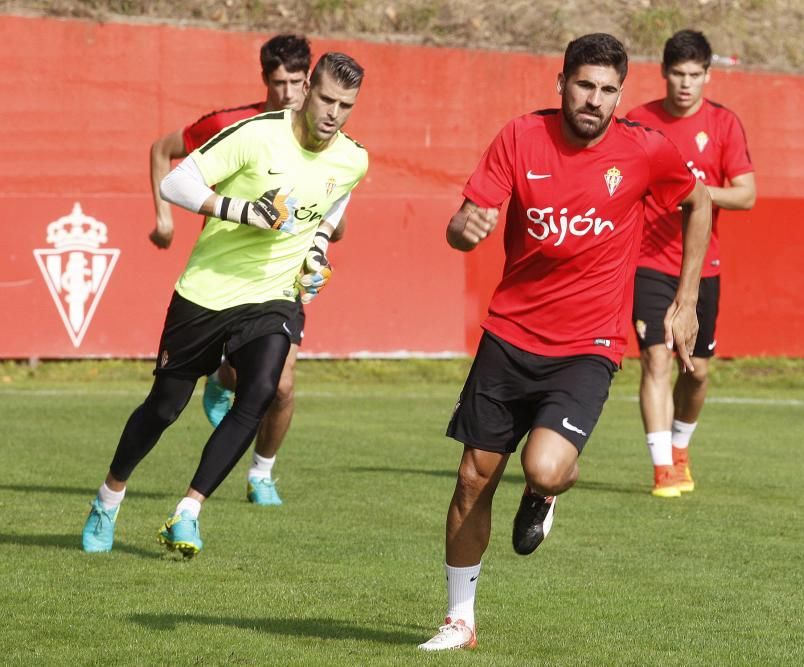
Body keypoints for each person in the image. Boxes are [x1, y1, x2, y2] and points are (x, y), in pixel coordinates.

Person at [417, 33, 713, 651]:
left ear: (620, 95)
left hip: (589, 344)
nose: (595, 100)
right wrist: (461, 230)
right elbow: (464, 223)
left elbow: (700, 202)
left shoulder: (644, 149)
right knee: (473, 476)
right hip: (509, 334)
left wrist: (685, 300)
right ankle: (459, 620)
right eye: (585, 85)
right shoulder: (521, 136)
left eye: (608, 90)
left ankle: (543, 492)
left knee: (544, 466)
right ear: (561, 83)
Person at [81, 52, 368, 557]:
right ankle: (109, 497)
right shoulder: (256, 135)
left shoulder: (352, 159)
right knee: (164, 408)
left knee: (260, 392)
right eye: (326, 99)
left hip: (273, 296)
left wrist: (317, 253)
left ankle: (188, 512)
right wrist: (241, 210)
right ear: (306, 94)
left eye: (345, 105)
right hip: (207, 291)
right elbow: (176, 183)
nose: (333, 113)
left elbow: (330, 207)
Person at [148, 33, 314, 506]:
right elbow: (162, 151)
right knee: (169, 399)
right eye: (279, 82)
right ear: (264, 79)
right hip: (222, 273)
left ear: (309, 80)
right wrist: (163, 218)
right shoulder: (229, 123)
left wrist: (322, 239)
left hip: (283, 276)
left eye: (297, 82)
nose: (288, 93)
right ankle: (225, 376)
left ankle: (262, 473)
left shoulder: (321, 137)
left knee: (281, 385)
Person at [626, 29, 756, 498]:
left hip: (702, 266)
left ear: (708, 75)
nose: (685, 84)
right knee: (656, 359)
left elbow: (746, 194)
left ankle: (680, 447)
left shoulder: (724, 124)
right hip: (646, 260)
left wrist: (692, 193)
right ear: (663, 72)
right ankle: (663, 470)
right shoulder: (638, 122)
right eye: (677, 74)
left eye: (694, 75)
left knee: (696, 372)